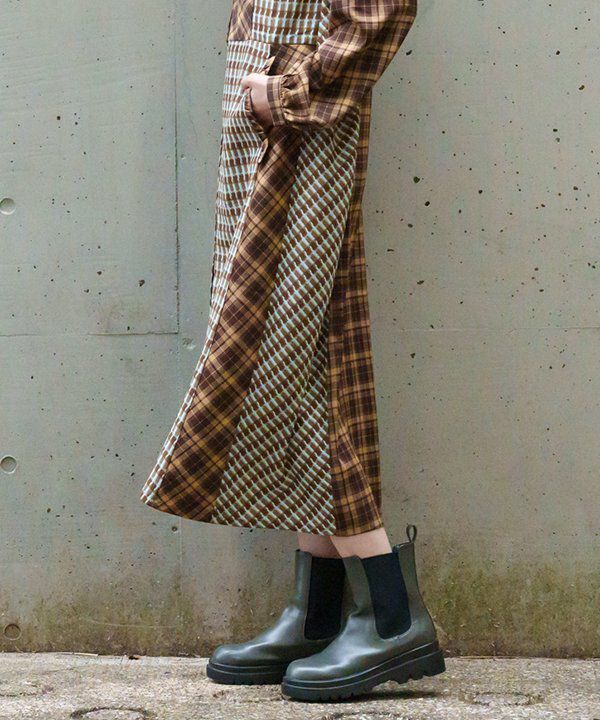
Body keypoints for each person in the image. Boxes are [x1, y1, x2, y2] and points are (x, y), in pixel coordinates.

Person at [141, 0, 445, 701]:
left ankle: (393, 616)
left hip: (303, 134)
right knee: (301, 356)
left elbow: (381, 12)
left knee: (302, 356)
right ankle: (318, 615)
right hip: (264, 141)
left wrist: (288, 92)